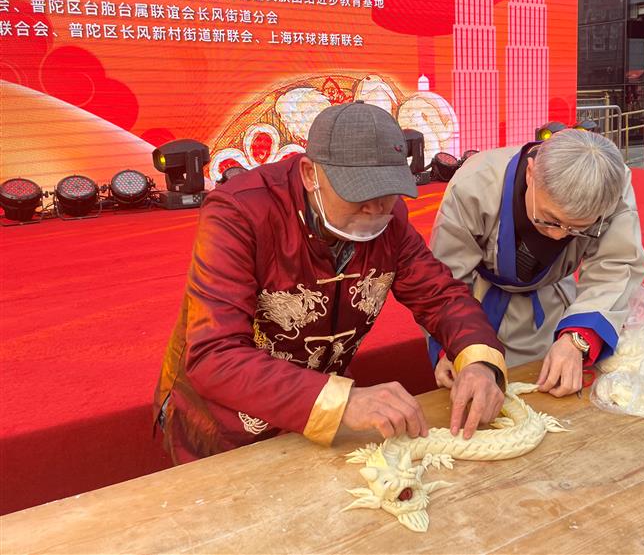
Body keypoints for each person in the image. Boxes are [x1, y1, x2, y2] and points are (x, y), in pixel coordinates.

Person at [154, 102, 507, 464]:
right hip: (225, 425)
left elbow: (441, 296)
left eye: (388, 193)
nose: (375, 210)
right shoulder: (241, 212)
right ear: (310, 174)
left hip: (321, 408)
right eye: (358, 194)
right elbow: (214, 356)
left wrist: (478, 360)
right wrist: (344, 400)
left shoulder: (390, 218)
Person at [429, 128, 644, 397]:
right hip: (478, 308)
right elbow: (444, 280)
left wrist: (577, 338)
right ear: (531, 173)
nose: (558, 235)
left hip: (554, 300)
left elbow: (616, 264)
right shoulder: (476, 183)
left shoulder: (611, 184)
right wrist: (457, 344)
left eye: (577, 229)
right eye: (549, 219)